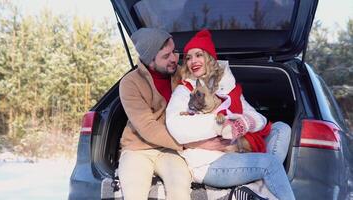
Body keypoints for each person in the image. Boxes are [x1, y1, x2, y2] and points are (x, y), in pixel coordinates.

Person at [166, 29, 295, 200]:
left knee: (281, 128)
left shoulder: (228, 87)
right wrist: (219, 125)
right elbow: (175, 125)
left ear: (209, 57)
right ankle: (263, 184)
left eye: (198, 55)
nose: (192, 61)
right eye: (188, 57)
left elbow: (259, 118)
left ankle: (258, 188)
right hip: (208, 162)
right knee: (270, 164)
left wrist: (243, 123)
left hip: (237, 151)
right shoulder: (186, 90)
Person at [118, 28, 194, 200]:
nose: (174, 58)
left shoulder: (182, 74)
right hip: (137, 149)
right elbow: (147, 127)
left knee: (180, 190)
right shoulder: (130, 83)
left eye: (174, 51)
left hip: (170, 150)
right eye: (166, 56)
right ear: (150, 61)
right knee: (134, 194)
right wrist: (188, 143)